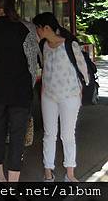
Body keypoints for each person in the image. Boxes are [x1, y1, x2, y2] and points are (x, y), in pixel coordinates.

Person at [0, 0, 38, 182]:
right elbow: (32, 64)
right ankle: (13, 182)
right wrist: (29, 85)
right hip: (20, 90)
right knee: (17, 135)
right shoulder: (25, 28)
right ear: (13, 4)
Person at [32, 12, 89, 183]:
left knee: (67, 135)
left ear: (47, 28)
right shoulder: (44, 46)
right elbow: (45, 68)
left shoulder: (70, 45)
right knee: (49, 134)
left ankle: (70, 174)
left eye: (38, 28)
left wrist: (80, 89)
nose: (37, 31)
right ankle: (48, 172)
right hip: (48, 96)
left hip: (69, 97)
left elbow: (83, 69)